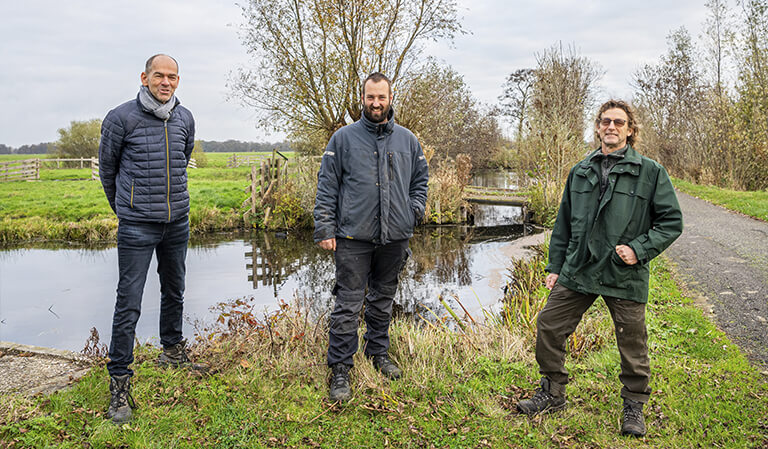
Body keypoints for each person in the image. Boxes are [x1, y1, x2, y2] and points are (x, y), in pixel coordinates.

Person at [516, 100, 683, 437]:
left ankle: (633, 406)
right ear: (597, 127)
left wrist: (638, 250)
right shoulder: (580, 171)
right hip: (579, 267)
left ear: (630, 130)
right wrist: (555, 266)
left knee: (632, 343)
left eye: (619, 122)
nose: (611, 127)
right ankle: (552, 392)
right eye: (606, 121)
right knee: (549, 324)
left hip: (622, 271)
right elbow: (563, 224)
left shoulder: (650, 172)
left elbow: (671, 222)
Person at [313, 72, 429, 402]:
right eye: (370, 97)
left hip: (395, 235)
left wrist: (413, 211)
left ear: (391, 98)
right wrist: (325, 227)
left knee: (382, 300)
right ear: (362, 99)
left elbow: (421, 180)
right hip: (352, 236)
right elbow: (327, 186)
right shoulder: (343, 139)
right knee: (348, 305)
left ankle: (378, 354)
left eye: (381, 97)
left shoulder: (408, 140)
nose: (375, 103)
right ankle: (340, 368)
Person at [99, 54, 197, 424]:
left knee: (175, 290)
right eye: (160, 75)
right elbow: (108, 172)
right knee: (129, 302)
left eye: (173, 77)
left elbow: (183, 157)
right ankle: (120, 384)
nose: (166, 82)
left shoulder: (185, 118)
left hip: (178, 223)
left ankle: (172, 352)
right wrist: (127, 208)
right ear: (144, 77)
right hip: (137, 225)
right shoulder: (121, 118)